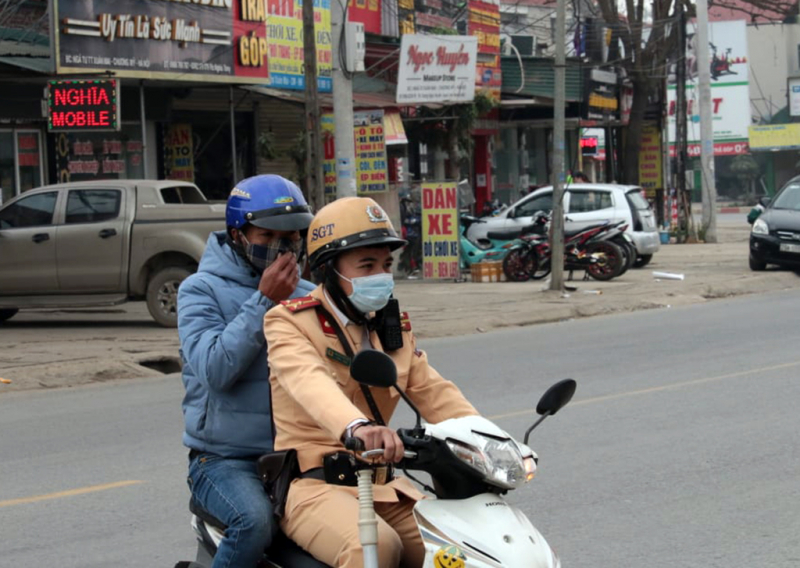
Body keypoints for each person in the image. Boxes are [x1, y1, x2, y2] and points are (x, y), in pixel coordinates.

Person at [263, 197, 480, 568]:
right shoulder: (289, 322)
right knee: (376, 548)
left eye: (385, 265)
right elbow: (309, 383)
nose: (380, 275)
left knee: (461, 548)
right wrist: (358, 427)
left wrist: (485, 436)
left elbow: (433, 392)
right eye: (366, 265)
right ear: (329, 270)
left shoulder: (390, 329)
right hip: (315, 489)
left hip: (384, 486)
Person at [178, 174, 315, 568]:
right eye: (268, 235)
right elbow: (215, 369)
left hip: (297, 456)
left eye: (291, 239)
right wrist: (263, 302)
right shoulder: (199, 290)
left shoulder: (308, 295)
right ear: (238, 234)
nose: (282, 248)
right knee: (253, 523)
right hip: (223, 460)